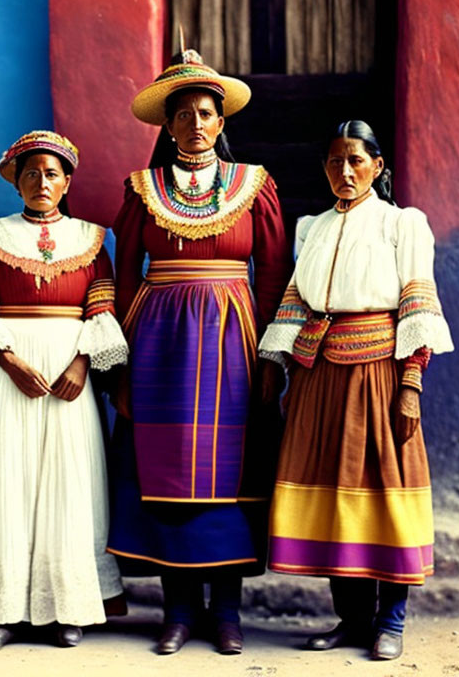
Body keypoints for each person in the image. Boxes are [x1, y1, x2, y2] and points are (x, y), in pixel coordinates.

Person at [107, 48, 291, 655]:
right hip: (160, 343)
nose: (194, 124)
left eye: (205, 113)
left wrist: (268, 356)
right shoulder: (144, 189)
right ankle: (179, 609)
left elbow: (271, 276)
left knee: (230, 471)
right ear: (166, 125)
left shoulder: (254, 186)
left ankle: (228, 609)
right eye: (181, 114)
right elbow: (126, 275)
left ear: (221, 122)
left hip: (233, 341)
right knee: (167, 467)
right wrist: (123, 356)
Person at [258, 120, 454, 661]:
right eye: (335, 161)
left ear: (377, 166)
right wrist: (278, 369)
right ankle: (351, 619)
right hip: (319, 374)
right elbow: (297, 301)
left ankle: (390, 622)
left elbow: (418, 303)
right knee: (331, 496)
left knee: (386, 492)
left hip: (378, 373)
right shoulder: (312, 227)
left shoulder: (402, 224)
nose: (345, 172)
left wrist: (410, 383)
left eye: (357, 161)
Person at [0, 130, 128, 652]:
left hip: (68, 374)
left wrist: (83, 365)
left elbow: (102, 311)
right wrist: (8, 359)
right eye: (31, 173)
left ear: (67, 182)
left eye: (52, 173)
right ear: (17, 182)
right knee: (5, 483)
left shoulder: (91, 240)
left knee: (66, 484)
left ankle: (67, 607)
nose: (42, 182)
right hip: (7, 374)